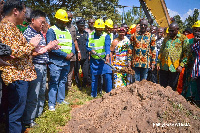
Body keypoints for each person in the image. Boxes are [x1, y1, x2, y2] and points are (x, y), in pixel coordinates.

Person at [0, 1, 42, 132]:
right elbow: (13, 52)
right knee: (15, 112)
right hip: (16, 75)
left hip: (20, 75)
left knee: (15, 111)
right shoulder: (6, 27)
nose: (25, 16)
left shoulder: (12, 27)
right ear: (15, 11)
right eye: (24, 12)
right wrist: (31, 45)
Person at [22, 10, 59, 127]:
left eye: (44, 22)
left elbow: (41, 49)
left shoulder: (38, 33)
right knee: (34, 94)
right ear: (33, 20)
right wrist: (48, 47)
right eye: (41, 22)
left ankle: (38, 115)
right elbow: (30, 53)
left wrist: (52, 47)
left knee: (42, 92)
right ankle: (29, 120)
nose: (43, 24)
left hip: (43, 66)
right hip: (35, 66)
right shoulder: (28, 33)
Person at [47, 9, 75, 111]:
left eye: (65, 21)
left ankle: (61, 100)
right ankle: (51, 104)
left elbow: (71, 43)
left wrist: (72, 53)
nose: (65, 23)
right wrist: (65, 55)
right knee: (54, 82)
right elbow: (51, 47)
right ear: (57, 20)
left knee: (63, 81)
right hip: (56, 62)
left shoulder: (67, 30)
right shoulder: (52, 30)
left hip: (66, 62)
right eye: (63, 21)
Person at [157, 22, 189, 91]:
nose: (170, 32)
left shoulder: (183, 39)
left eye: (172, 31)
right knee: (162, 87)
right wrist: (158, 62)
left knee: (172, 88)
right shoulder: (166, 38)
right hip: (164, 66)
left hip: (175, 68)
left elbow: (187, 54)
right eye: (169, 31)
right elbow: (161, 51)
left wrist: (181, 65)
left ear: (177, 29)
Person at [87, 19, 112, 97]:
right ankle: (93, 94)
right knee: (94, 77)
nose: (100, 31)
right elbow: (87, 46)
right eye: (98, 29)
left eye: (101, 29)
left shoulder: (106, 36)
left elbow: (108, 47)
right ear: (95, 28)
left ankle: (109, 94)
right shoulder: (90, 35)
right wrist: (91, 50)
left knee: (107, 76)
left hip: (104, 59)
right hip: (94, 60)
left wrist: (107, 55)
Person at [74, 18, 90, 89]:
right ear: (77, 26)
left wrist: (89, 54)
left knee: (86, 72)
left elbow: (89, 45)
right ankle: (78, 85)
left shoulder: (86, 34)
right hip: (77, 55)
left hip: (85, 56)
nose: (82, 27)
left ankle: (84, 84)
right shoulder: (75, 34)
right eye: (80, 26)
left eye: (83, 25)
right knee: (76, 71)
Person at [66, 11, 79, 90]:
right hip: (64, 54)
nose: (70, 19)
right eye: (68, 18)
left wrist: (78, 51)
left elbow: (75, 41)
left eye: (71, 18)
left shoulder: (73, 28)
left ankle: (68, 86)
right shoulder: (61, 27)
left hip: (72, 52)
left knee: (71, 70)